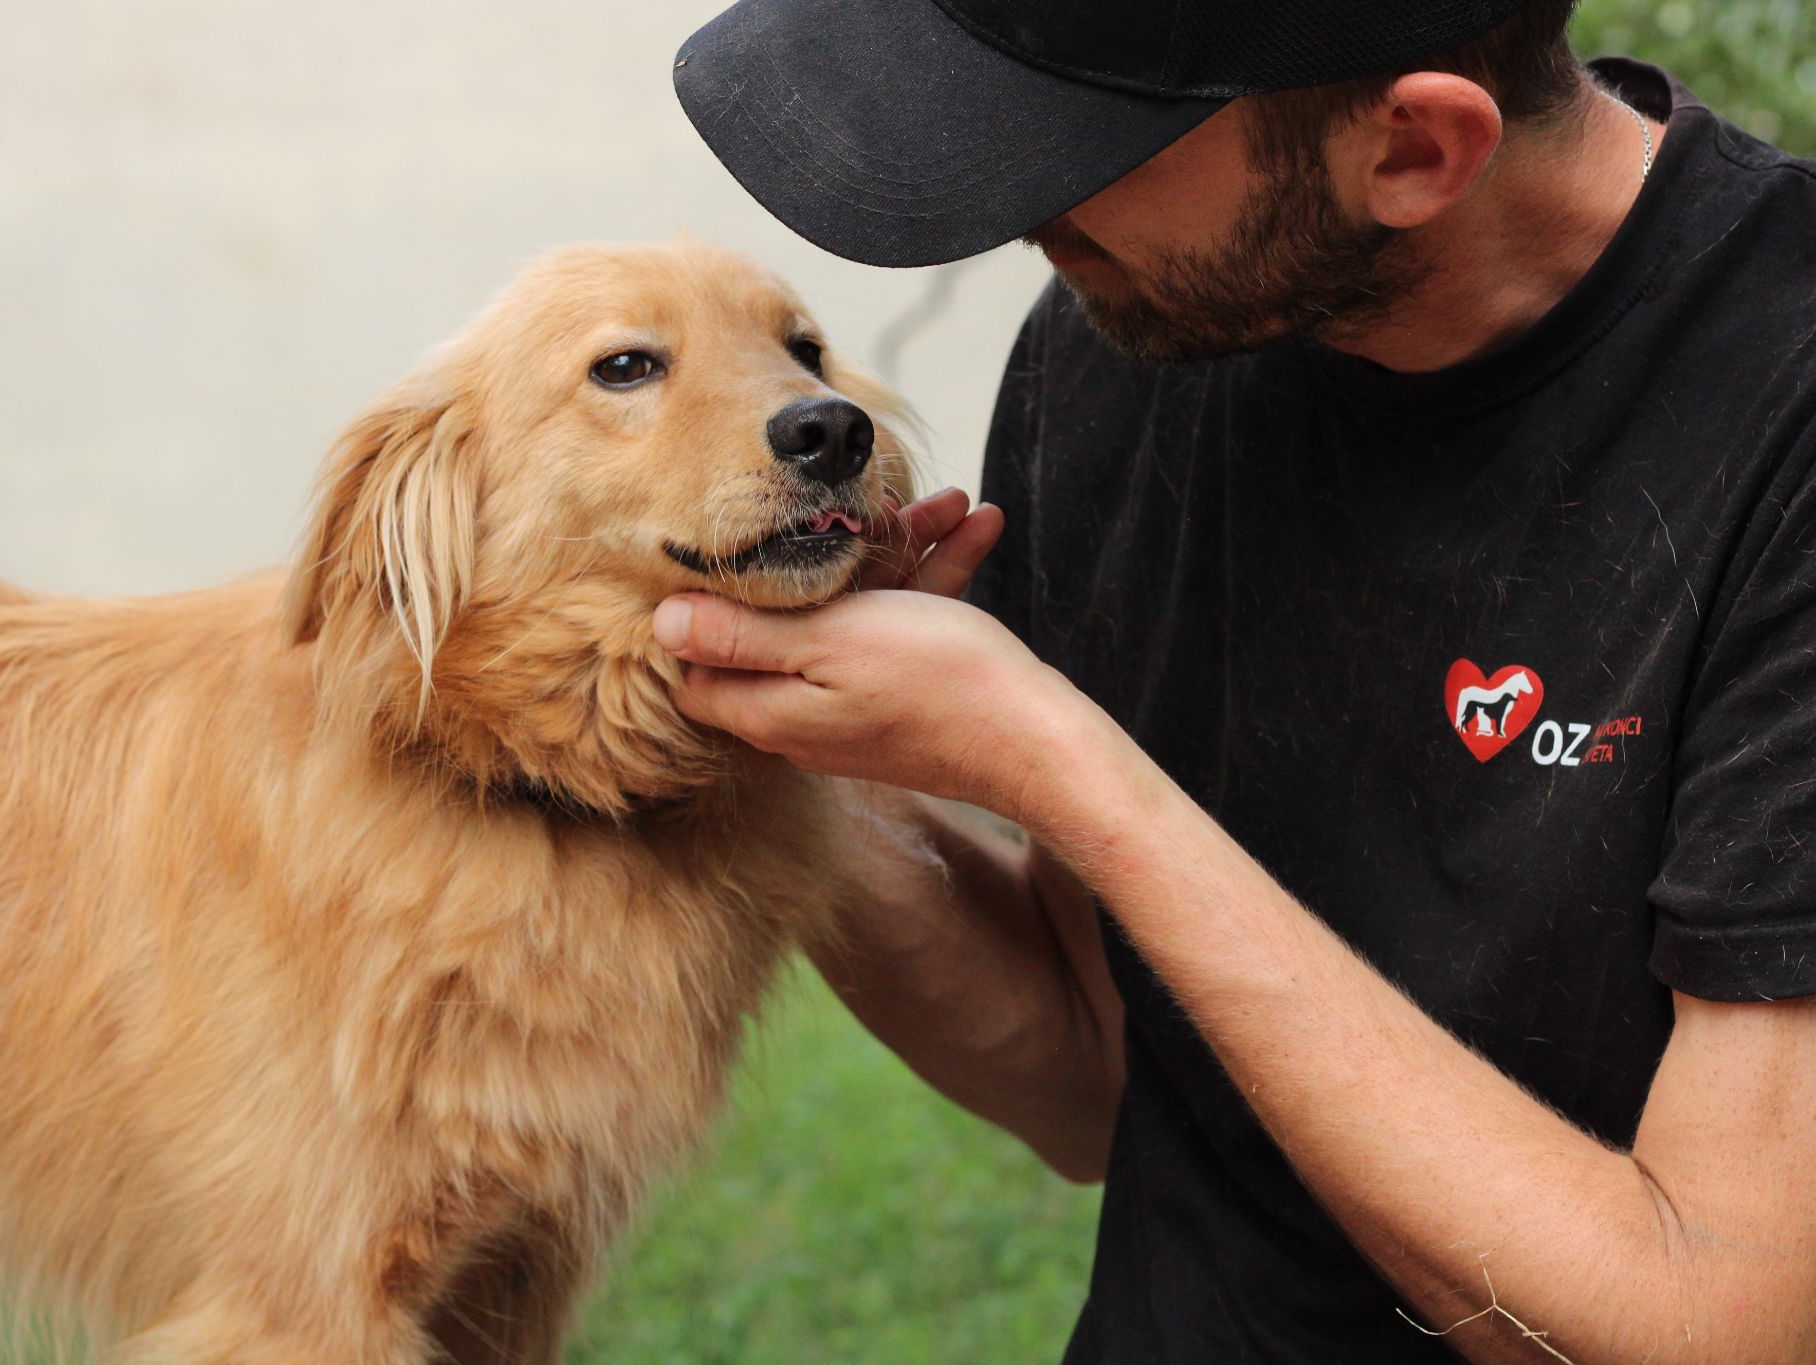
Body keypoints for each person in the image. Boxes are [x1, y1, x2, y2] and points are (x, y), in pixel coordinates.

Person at [660, 0, 1816, 1361]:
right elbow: (1096, 1068)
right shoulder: (1127, 326)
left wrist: (1062, 762)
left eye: (1078, 143)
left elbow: (1707, 1325)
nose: (1021, 215)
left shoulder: (1777, 427)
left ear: (1415, 151)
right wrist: (804, 748)